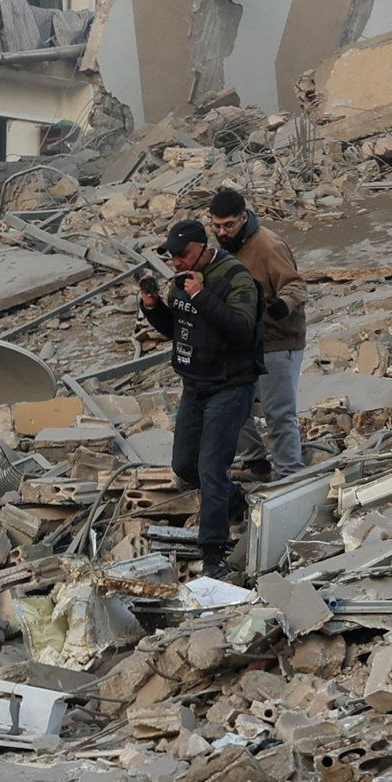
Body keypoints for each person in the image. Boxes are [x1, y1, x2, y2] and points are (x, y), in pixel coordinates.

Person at [132, 216, 267, 580]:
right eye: (172, 257)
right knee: (185, 467)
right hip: (195, 385)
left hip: (231, 385)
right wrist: (153, 305)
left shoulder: (234, 276)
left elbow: (240, 329)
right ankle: (236, 500)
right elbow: (180, 329)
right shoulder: (183, 283)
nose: (176, 263)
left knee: (210, 470)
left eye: (182, 255)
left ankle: (213, 555)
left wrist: (200, 295)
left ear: (201, 248)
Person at [205, 185, 307, 478]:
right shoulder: (225, 248)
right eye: (217, 226)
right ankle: (256, 462)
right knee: (231, 406)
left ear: (244, 217)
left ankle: (289, 474)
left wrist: (282, 304)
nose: (222, 232)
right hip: (242, 343)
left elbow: (297, 285)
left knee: (278, 414)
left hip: (278, 341)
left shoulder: (268, 245)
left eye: (229, 225)